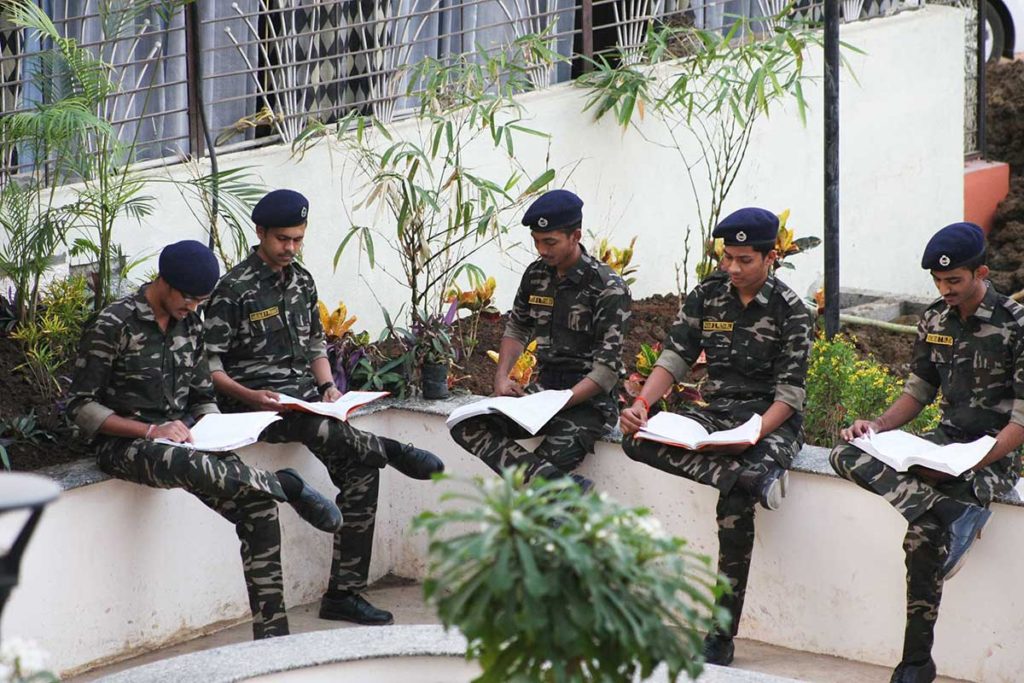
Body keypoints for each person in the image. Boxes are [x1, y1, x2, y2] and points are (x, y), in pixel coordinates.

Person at [67, 240, 341, 640]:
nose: (193, 307)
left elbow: (200, 395)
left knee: (259, 508)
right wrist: (150, 431)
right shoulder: (114, 324)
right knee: (184, 461)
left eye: (201, 300)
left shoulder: (191, 323)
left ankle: (274, 640)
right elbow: (81, 408)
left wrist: (215, 431)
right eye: (189, 298)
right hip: (128, 445)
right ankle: (287, 485)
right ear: (165, 282)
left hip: (187, 441)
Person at [204, 189, 444, 627]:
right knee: (313, 425)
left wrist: (329, 387)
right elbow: (210, 364)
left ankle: (344, 595)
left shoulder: (302, 280)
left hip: (306, 404)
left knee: (360, 470)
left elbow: (317, 343)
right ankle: (391, 448)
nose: (290, 248)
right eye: (282, 239)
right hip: (257, 409)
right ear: (259, 233)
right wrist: (248, 395)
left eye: (297, 239)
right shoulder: (233, 289)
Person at [829, 222, 1024, 683]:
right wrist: (875, 427)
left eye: (953, 280)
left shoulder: (1016, 326)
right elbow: (917, 393)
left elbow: (1021, 421)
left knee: (922, 537)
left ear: (982, 272)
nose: (944, 289)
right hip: (943, 443)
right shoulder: (934, 319)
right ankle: (946, 510)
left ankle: (917, 661)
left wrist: (972, 462)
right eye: (938, 282)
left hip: (992, 456)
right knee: (847, 452)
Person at [619, 207, 813, 666]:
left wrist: (752, 437)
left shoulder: (793, 312)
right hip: (718, 412)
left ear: (770, 258)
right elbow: (675, 355)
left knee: (736, 503)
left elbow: (789, 395)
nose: (732, 268)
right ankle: (739, 477)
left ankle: (721, 634)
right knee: (636, 439)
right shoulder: (709, 294)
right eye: (728, 257)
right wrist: (643, 404)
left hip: (772, 420)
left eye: (744, 260)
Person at [448, 189, 631, 490]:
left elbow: (606, 370)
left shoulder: (608, 287)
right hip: (542, 393)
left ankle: (551, 492)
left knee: (533, 485)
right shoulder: (536, 275)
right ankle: (561, 490)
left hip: (588, 403)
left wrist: (561, 402)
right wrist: (502, 377)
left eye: (550, 242)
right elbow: (518, 326)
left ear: (575, 236)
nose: (542, 250)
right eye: (536, 241)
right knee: (466, 425)